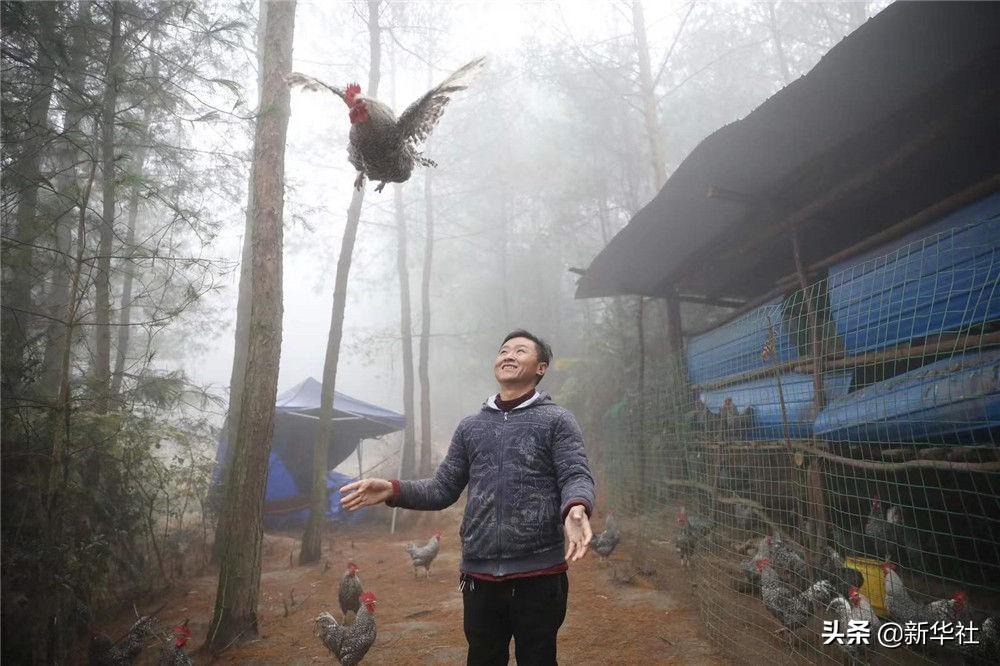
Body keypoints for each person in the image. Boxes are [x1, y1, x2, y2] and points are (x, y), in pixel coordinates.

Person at [340, 329, 596, 666]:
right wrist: (394, 490)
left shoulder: (556, 420)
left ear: (541, 367)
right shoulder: (470, 427)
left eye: (521, 351)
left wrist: (576, 505)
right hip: (479, 577)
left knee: (538, 659)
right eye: (504, 350)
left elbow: (574, 472)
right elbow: (443, 487)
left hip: (539, 574)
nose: (509, 356)